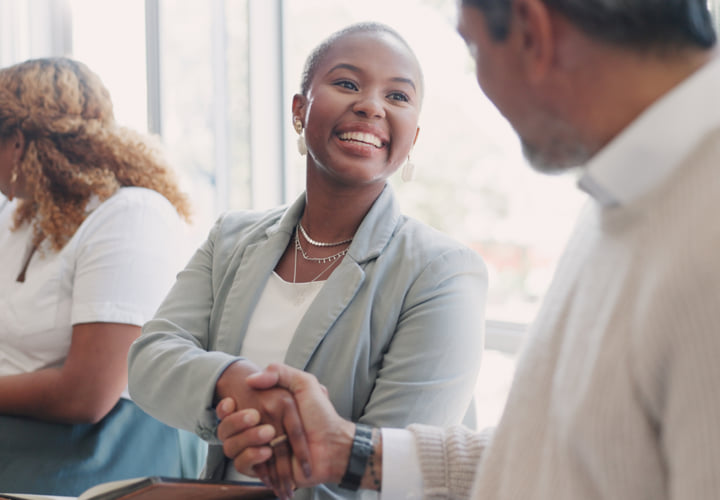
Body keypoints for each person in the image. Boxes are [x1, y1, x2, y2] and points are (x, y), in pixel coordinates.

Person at [217, 0, 720, 499]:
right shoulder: (625, 191)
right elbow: (560, 455)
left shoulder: (702, 235)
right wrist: (349, 451)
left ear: (531, 31)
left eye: (473, 47)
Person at [127, 22, 488, 500]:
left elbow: (391, 475)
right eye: (346, 84)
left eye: (398, 97)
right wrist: (229, 383)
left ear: (413, 137)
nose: (371, 105)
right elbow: (150, 359)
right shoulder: (231, 238)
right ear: (300, 110)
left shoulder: (443, 273)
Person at [0, 57, 206, 496]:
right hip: (23, 437)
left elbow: (86, 396)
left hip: (96, 451)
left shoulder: (131, 215)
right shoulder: (20, 216)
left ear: (18, 143)